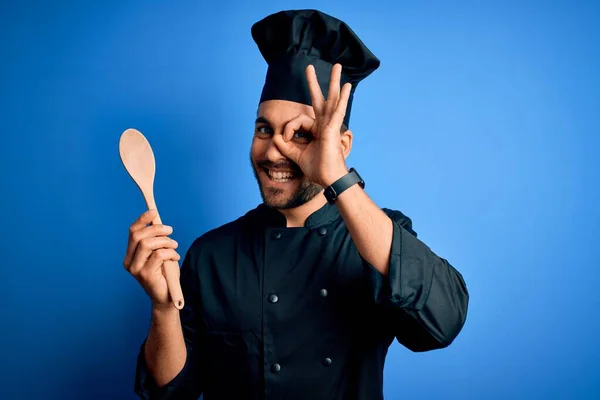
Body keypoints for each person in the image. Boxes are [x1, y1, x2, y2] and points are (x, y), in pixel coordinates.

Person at [125, 9, 469, 400]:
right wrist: (163, 309)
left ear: (341, 146)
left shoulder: (375, 242)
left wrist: (338, 178)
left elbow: (444, 322)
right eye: (264, 129)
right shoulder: (211, 255)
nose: (276, 150)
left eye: (301, 134)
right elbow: (172, 393)